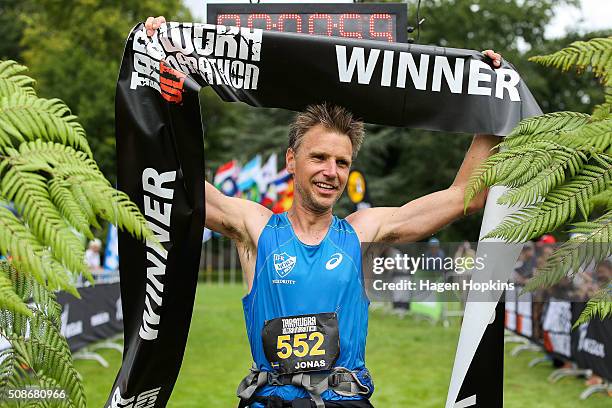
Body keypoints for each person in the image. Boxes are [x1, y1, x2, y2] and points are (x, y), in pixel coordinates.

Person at [145, 16, 502, 408]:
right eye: (319, 157)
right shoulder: (256, 228)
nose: (331, 172)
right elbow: (179, 184)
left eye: (342, 162)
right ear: (291, 161)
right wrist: (154, 75)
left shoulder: (362, 232)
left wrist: (492, 106)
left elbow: (464, 195)